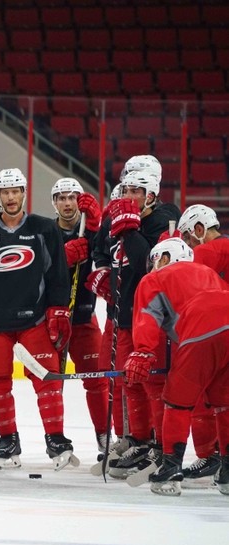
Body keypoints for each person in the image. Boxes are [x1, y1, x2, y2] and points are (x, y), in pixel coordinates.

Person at [0, 168, 75, 470]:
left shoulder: (44, 229)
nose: (11, 197)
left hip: (33, 319)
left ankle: (56, 438)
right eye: (5, 192)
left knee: (46, 379)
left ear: (24, 193)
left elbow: (57, 273)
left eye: (16, 191)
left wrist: (58, 308)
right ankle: (8, 438)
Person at [90, 163, 181, 479]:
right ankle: (139, 441)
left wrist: (129, 228)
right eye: (126, 190)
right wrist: (100, 270)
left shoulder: (161, 221)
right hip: (123, 313)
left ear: (151, 194)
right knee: (129, 383)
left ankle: (160, 445)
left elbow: (148, 264)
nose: (129, 197)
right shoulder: (118, 218)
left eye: (136, 192)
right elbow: (102, 248)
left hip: (152, 315)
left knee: (152, 383)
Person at [123, 238, 229, 495]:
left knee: (178, 401)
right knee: (224, 402)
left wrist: (143, 352)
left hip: (200, 329)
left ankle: (170, 470)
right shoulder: (207, 272)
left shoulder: (155, 278)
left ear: (165, 257)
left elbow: (148, 315)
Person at [50, 177, 109, 459]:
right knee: (51, 382)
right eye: (61, 198)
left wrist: (97, 225)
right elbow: (35, 271)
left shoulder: (90, 231)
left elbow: (108, 253)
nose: (67, 202)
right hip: (51, 319)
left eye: (72, 197)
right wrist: (62, 258)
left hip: (84, 318)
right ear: (54, 203)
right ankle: (55, 438)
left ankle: (103, 434)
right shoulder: (45, 232)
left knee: (97, 379)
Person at [174, 204, 228, 479]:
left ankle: (210, 456)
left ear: (199, 229)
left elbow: (175, 277)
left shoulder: (210, 249)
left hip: (218, 335)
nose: (187, 245)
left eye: (187, 238)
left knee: (199, 396)